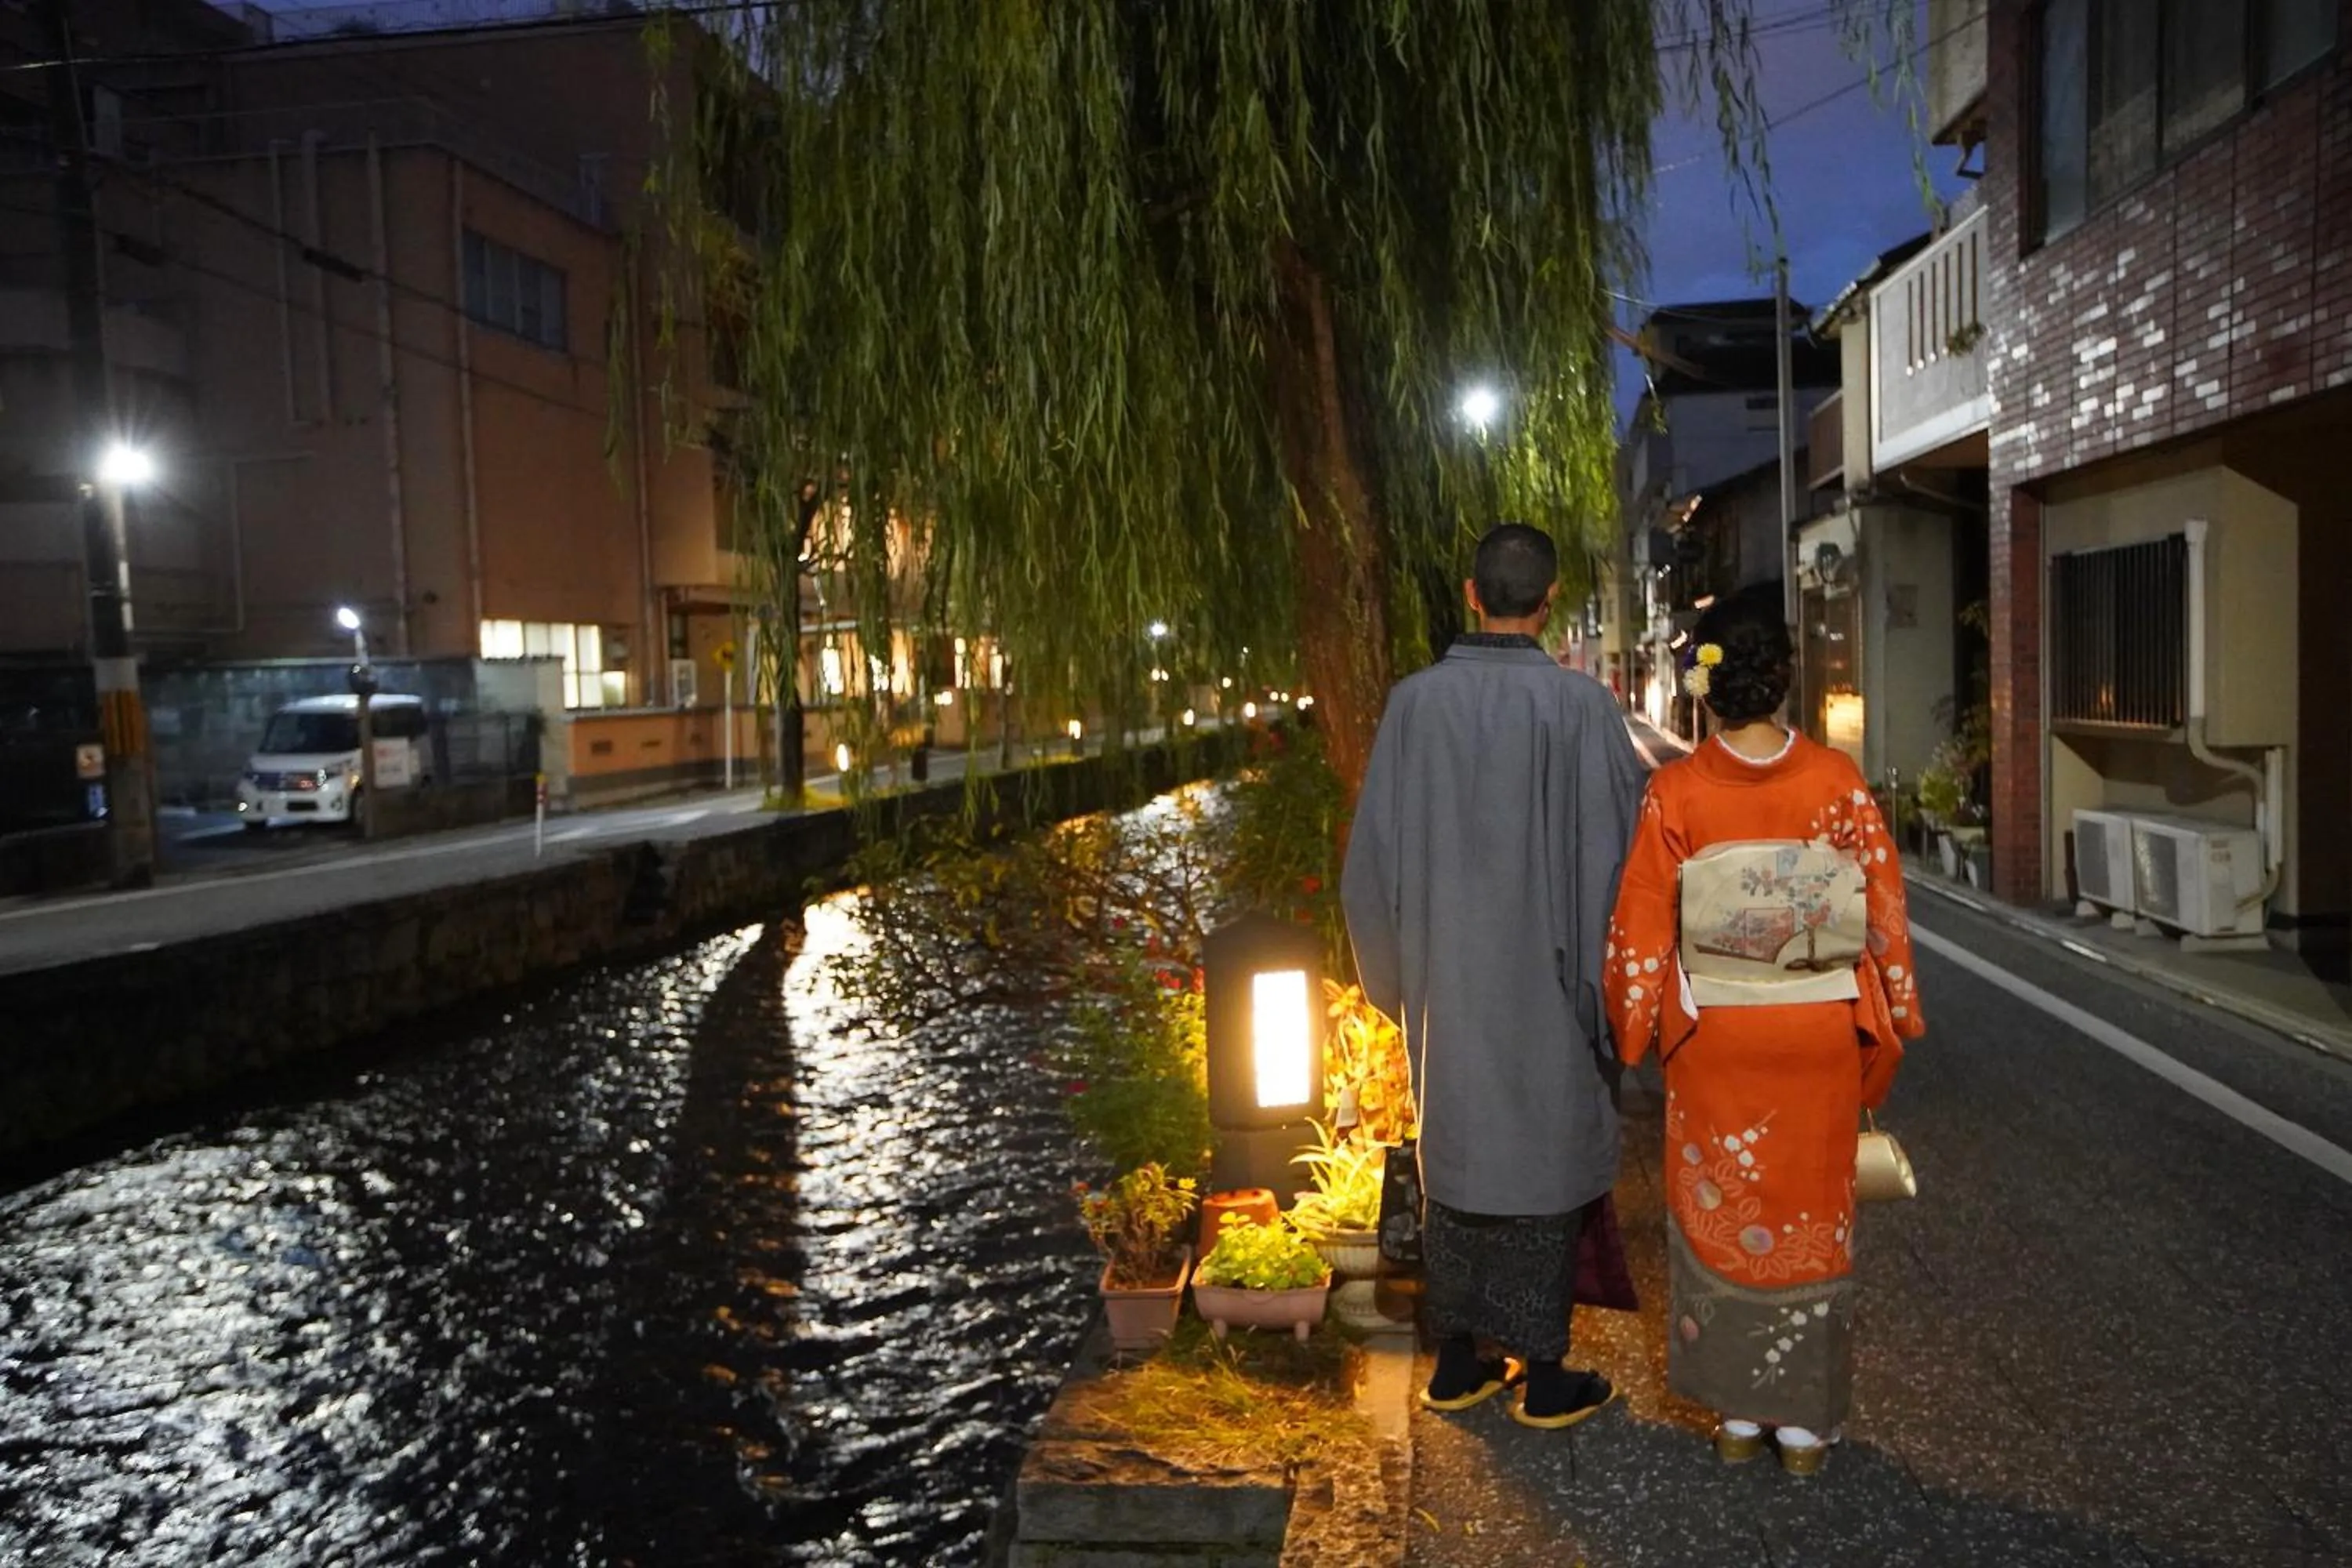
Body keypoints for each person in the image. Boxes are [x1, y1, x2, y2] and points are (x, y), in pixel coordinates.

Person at [1602, 584, 1926, 1477]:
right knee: (1811, 1214)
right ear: (1782, 677)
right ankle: (1806, 1428)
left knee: (1723, 1210)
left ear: (1707, 685)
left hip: (1719, 1040)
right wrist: (1896, 1004)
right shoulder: (1836, 782)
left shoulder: (1675, 792)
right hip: (1815, 1031)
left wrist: (1636, 1020)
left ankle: (1740, 1413)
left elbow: (1641, 923)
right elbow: (1883, 908)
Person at [1342, 522, 1647, 1429]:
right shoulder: (1583, 708)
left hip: (1450, 988)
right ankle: (1545, 1373)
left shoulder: (1413, 705)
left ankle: (1458, 1363)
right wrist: (1610, 1003)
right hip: (1551, 992)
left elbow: (1371, 872)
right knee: (1545, 1168)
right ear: (1550, 602)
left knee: (1460, 1163)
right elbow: (1618, 867)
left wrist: (1404, 991)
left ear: (1472, 595)